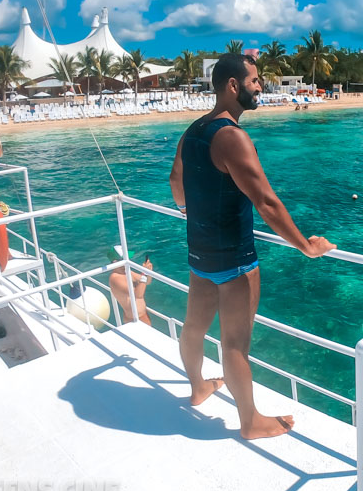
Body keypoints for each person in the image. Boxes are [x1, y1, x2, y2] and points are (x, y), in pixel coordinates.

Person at [170, 52, 335, 440]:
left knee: (194, 328)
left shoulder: (194, 129)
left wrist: (191, 212)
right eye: (255, 81)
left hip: (200, 253)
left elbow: (176, 180)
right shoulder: (232, 137)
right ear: (233, 85)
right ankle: (250, 421)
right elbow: (266, 203)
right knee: (234, 346)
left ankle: (197, 388)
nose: (261, 87)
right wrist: (305, 246)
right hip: (235, 260)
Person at [107, 246, 153, 325]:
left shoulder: (127, 272)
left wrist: (148, 272)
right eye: (125, 259)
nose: (128, 261)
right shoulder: (115, 278)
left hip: (140, 315)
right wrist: (144, 274)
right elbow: (138, 295)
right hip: (134, 318)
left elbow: (147, 282)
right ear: (115, 262)